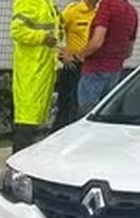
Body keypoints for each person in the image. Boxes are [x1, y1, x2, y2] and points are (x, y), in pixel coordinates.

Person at [10, 0, 62, 152]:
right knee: (27, 116)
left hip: (42, 67)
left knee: (34, 116)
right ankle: (19, 157)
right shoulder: (28, 2)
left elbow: (55, 29)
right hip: (31, 68)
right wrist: (43, 37)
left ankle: (25, 154)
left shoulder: (47, 3)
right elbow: (17, 31)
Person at [76, 0, 138, 114]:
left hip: (95, 69)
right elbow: (128, 52)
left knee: (87, 113)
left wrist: (80, 55)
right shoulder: (132, 12)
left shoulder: (107, 5)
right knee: (105, 113)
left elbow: (97, 42)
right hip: (115, 71)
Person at [52, 0, 99, 131]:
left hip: (91, 66)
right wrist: (61, 54)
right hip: (73, 65)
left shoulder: (99, 13)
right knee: (67, 106)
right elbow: (55, 32)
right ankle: (58, 135)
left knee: (83, 106)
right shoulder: (73, 11)